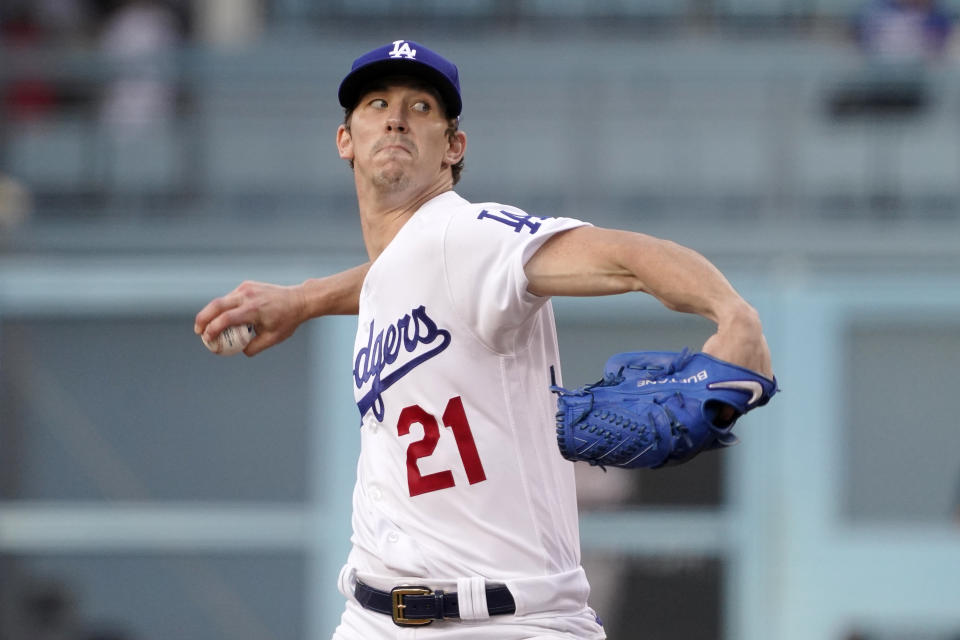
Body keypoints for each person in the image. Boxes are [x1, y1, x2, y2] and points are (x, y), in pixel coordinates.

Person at [194, 39, 774, 639]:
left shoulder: (467, 234)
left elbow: (625, 257)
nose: (395, 116)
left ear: (453, 147)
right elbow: (399, 277)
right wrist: (305, 300)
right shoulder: (410, 269)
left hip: (509, 621)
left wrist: (733, 315)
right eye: (375, 103)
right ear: (345, 140)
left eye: (421, 108)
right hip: (374, 618)